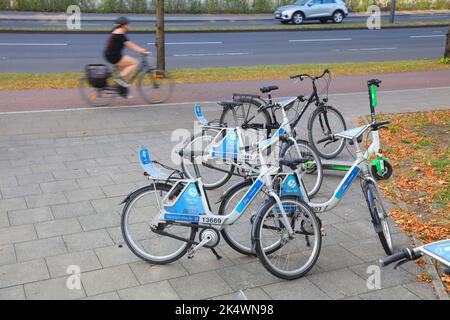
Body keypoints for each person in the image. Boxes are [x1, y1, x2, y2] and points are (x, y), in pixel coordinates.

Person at [104, 16, 150, 88]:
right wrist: (143, 51)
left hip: (111, 55)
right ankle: (119, 78)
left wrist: (141, 50)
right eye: (128, 24)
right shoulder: (119, 34)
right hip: (114, 56)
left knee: (126, 72)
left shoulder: (117, 32)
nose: (129, 26)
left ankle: (123, 91)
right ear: (123, 25)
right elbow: (131, 46)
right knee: (135, 62)